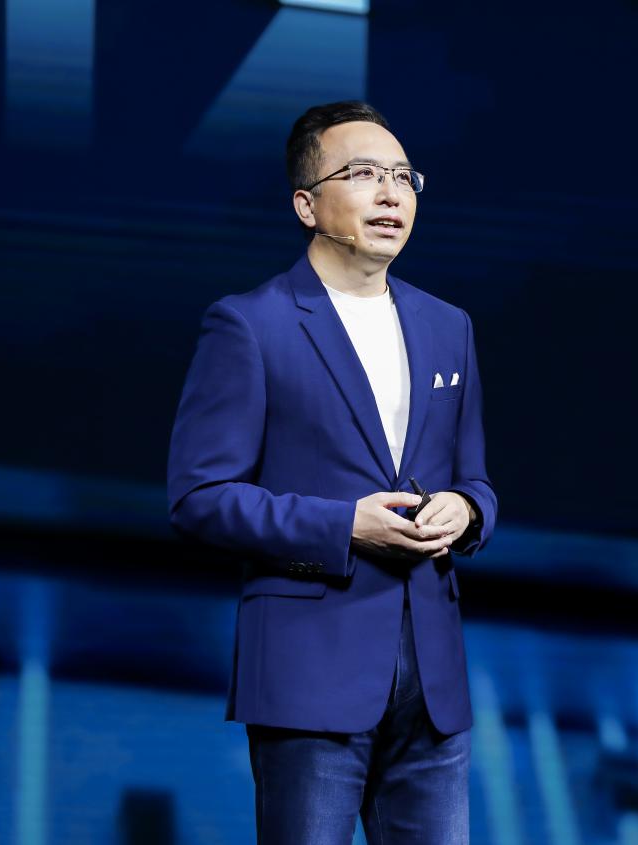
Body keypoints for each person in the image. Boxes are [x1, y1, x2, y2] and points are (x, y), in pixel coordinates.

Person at [167, 100, 495, 844]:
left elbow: (475, 479)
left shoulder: (449, 325)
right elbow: (198, 497)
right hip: (309, 671)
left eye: (403, 177)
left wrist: (468, 510)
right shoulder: (250, 323)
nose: (391, 194)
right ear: (306, 205)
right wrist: (343, 525)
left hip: (434, 683)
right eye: (364, 174)